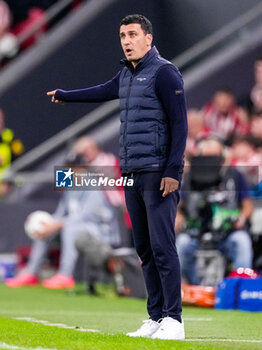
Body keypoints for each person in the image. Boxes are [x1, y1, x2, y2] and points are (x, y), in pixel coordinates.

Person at [47, 14, 188, 340]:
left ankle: (175, 320)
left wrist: (173, 171)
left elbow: (180, 125)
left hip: (157, 173)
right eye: (123, 35)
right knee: (144, 249)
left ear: (148, 39)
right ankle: (155, 317)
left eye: (133, 34)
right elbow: (100, 91)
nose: (126, 40)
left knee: (163, 246)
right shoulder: (126, 74)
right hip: (132, 174)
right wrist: (66, 95)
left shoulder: (165, 73)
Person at [5, 137, 122, 289]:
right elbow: (61, 213)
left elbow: (83, 216)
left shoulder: (93, 185)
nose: (70, 171)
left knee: (70, 226)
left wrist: (56, 225)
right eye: (69, 168)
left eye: (74, 168)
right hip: (78, 228)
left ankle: (65, 275)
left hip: (99, 231)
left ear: (83, 168)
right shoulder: (70, 186)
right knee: (47, 225)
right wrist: (48, 225)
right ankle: (31, 273)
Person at [176, 136, 254, 285]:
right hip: (196, 231)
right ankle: (191, 286)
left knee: (242, 241)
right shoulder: (189, 177)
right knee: (182, 243)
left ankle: (242, 287)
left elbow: (247, 205)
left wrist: (241, 218)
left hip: (227, 232)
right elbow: (179, 207)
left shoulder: (235, 176)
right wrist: (178, 218)